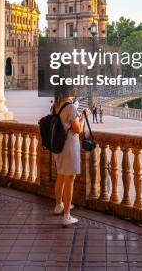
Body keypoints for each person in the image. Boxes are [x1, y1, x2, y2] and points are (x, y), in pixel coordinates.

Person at [53, 88, 91, 227]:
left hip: (58, 146)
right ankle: (67, 215)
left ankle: (59, 205)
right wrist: (83, 116)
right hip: (69, 145)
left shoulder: (57, 105)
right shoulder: (70, 107)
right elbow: (78, 129)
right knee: (70, 179)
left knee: (61, 176)